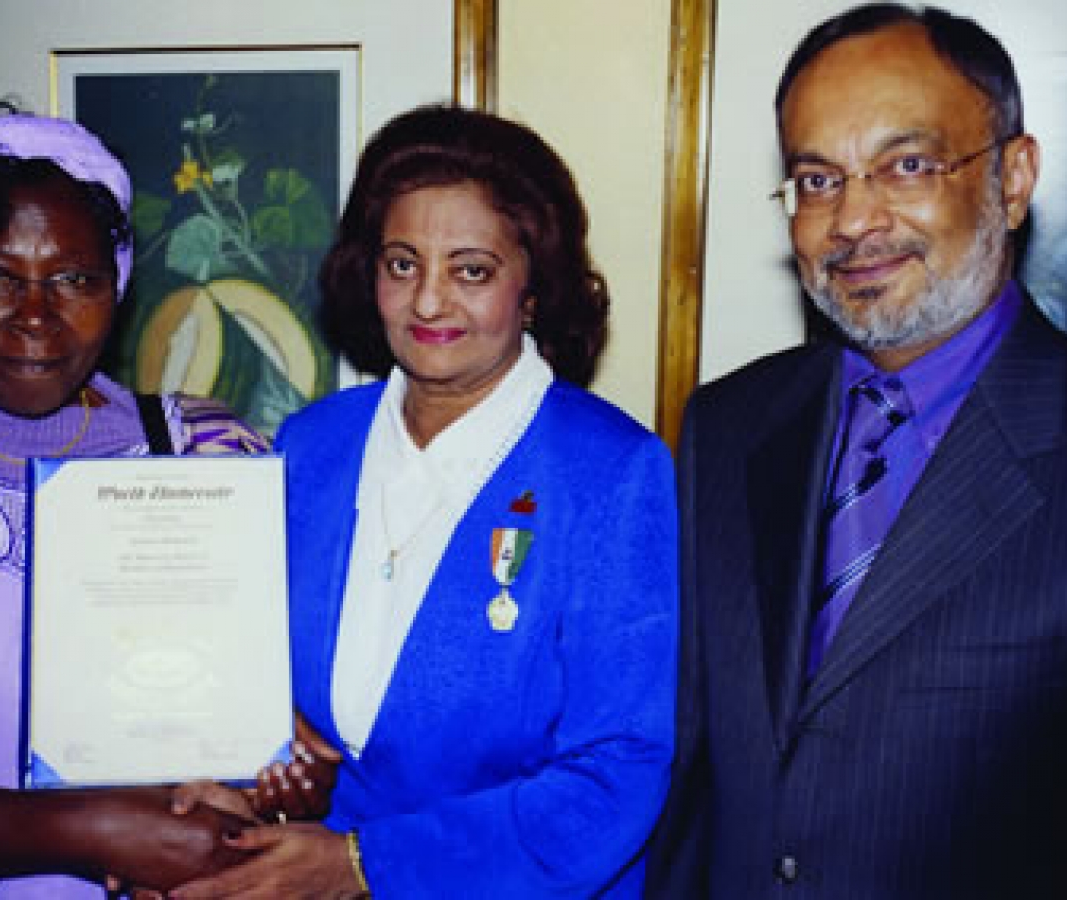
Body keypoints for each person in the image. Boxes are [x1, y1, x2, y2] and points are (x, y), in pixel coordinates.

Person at [160, 103, 679, 899]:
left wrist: (365, 866)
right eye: (402, 264)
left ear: (533, 287)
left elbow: (618, 774)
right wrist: (243, 758)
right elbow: (248, 673)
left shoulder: (614, 472)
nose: (429, 302)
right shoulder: (310, 444)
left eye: (471, 270)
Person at [0, 110, 326, 898]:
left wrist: (280, 787)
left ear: (116, 285)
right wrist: (105, 829)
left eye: (76, 279)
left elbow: (246, 747)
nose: (37, 316)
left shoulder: (203, 451)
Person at [648, 4, 1067, 899]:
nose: (852, 221)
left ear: (1012, 177)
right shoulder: (726, 429)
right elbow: (691, 774)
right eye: (816, 180)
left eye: (907, 166)